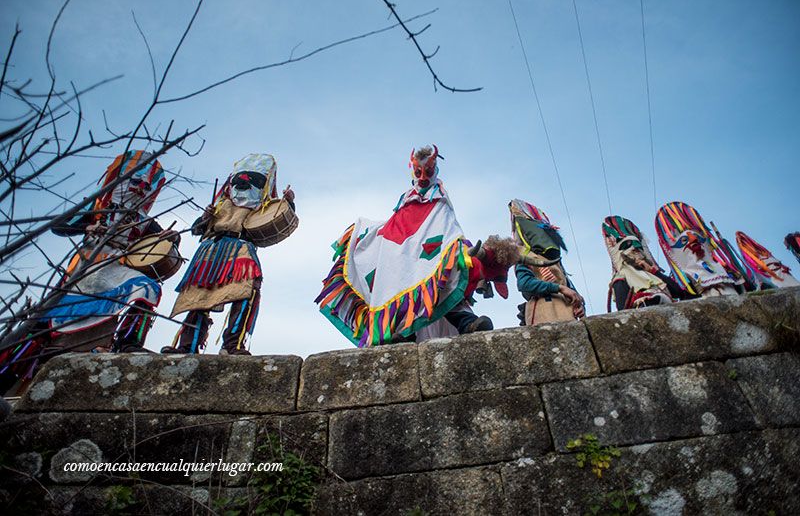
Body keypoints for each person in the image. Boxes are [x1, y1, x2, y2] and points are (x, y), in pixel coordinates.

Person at [0, 150, 176, 389]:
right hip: (86, 269)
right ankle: (7, 375)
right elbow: (60, 225)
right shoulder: (98, 206)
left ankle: (128, 342)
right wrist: (90, 226)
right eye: (135, 182)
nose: (139, 189)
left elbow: (162, 241)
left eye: (146, 187)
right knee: (44, 323)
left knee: (148, 287)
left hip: (117, 269)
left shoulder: (145, 220)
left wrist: (170, 238)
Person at [315, 145, 492, 347]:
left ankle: (467, 323)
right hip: (399, 251)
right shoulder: (406, 200)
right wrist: (372, 235)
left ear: (436, 170)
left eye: (429, 171)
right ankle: (402, 334)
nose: (423, 177)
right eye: (418, 172)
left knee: (441, 280)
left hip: (428, 251)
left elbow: (448, 229)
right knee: (396, 285)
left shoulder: (440, 201)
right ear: (412, 170)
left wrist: (455, 246)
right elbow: (396, 225)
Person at [163, 153, 295, 355]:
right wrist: (206, 218)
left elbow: (278, 218)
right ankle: (187, 345)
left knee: (246, 291)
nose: (244, 182)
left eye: (254, 180)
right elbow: (196, 230)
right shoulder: (220, 204)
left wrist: (288, 203)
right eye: (240, 178)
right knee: (198, 296)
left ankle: (233, 344)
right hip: (210, 250)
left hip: (241, 249)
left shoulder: (264, 206)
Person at [509, 199, 585, 326]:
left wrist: (577, 302)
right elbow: (524, 284)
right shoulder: (525, 257)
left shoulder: (556, 262)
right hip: (544, 309)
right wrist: (559, 288)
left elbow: (568, 286)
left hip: (566, 311)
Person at [602, 215, 694, 311]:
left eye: (638, 247)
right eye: (629, 245)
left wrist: (653, 271)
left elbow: (677, 292)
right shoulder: (621, 277)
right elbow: (623, 310)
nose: (635, 249)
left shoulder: (652, 273)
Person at [655, 201, 745, 297]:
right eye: (683, 240)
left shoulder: (727, 271)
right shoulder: (685, 281)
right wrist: (655, 272)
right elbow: (677, 292)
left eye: (696, 235)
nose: (693, 239)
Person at [736, 231, 800, 289]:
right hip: (773, 272)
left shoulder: (797, 240)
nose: (787, 248)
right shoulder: (757, 258)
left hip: (776, 271)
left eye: (787, 246)